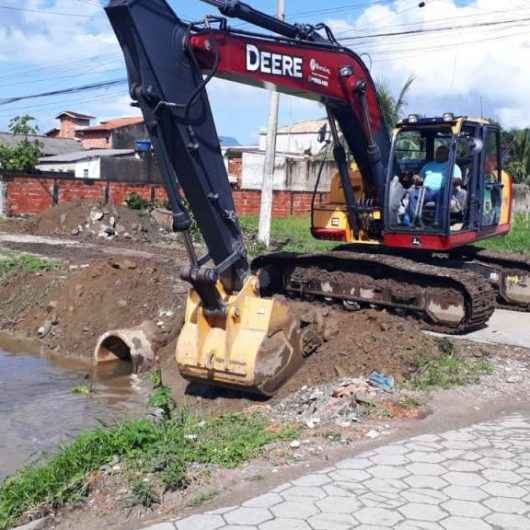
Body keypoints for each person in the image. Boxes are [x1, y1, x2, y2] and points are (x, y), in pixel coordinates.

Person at [408, 145, 462, 226]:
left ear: (448, 154)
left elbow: (459, 180)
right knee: (413, 194)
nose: (438, 154)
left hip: (443, 190)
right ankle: (416, 219)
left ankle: (438, 222)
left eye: (441, 152)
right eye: (437, 152)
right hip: (426, 190)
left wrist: (454, 180)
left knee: (442, 196)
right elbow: (420, 178)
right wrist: (417, 178)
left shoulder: (453, 166)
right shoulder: (428, 165)